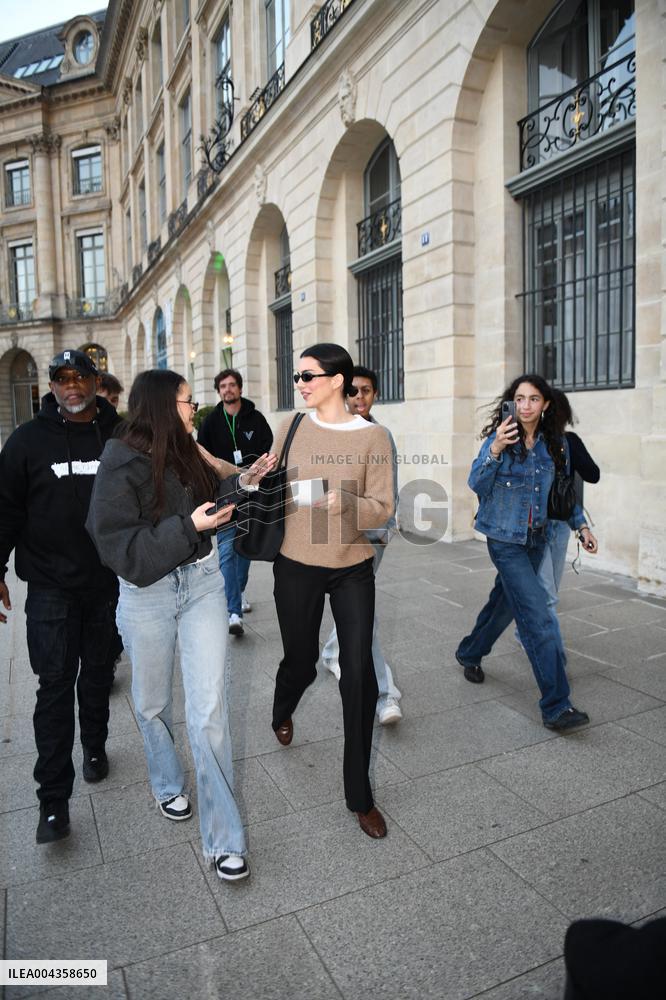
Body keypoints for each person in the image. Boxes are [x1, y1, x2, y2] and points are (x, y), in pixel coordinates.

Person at [86, 369, 275, 881]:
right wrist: (187, 527)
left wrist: (248, 480)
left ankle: (225, 838)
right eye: (190, 402)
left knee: (209, 707)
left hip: (204, 584)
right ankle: (167, 781)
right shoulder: (119, 460)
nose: (197, 409)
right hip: (146, 595)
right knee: (151, 703)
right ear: (163, 407)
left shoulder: (189, 448)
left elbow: (219, 488)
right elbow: (118, 548)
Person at [271, 344, 395, 839]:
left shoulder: (374, 437)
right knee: (299, 661)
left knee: (358, 675)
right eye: (296, 374)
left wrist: (344, 500)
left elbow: (382, 508)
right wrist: (256, 478)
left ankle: (359, 796)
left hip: (352, 568)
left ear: (338, 380)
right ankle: (283, 706)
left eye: (308, 375)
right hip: (296, 564)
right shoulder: (292, 427)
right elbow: (266, 482)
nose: (299, 382)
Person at [0, 349, 120, 844]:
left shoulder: (119, 435)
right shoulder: (26, 441)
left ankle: (94, 745)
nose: (71, 386)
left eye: (80, 377)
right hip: (49, 586)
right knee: (53, 685)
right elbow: (5, 508)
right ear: (51, 386)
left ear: (95, 383)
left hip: (106, 582)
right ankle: (53, 801)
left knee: (96, 673)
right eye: (61, 379)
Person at [455, 374, 590, 732]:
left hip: (537, 539)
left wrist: (581, 525)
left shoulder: (556, 444)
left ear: (546, 405)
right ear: (511, 403)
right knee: (537, 616)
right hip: (504, 539)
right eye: (520, 398)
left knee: (505, 604)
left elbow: (564, 493)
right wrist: (496, 449)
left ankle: (470, 652)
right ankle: (556, 706)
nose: (526, 405)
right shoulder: (499, 439)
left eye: (533, 399)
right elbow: (476, 484)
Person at [321, 365, 403, 725]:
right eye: (353, 391)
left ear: (374, 395)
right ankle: (376, 687)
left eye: (366, 391)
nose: (359, 397)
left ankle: (378, 689)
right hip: (334, 535)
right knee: (357, 611)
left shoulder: (381, 435)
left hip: (371, 537)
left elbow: (389, 494)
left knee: (359, 613)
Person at [197, 369, 273, 636]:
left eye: (232, 385)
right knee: (227, 551)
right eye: (223, 386)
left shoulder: (256, 418)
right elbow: (202, 456)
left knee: (244, 550)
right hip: (224, 493)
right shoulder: (209, 422)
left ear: (239, 389)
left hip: (252, 493)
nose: (228, 390)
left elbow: (268, 451)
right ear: (218, 391)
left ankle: (237, 592)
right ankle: (233, 611)